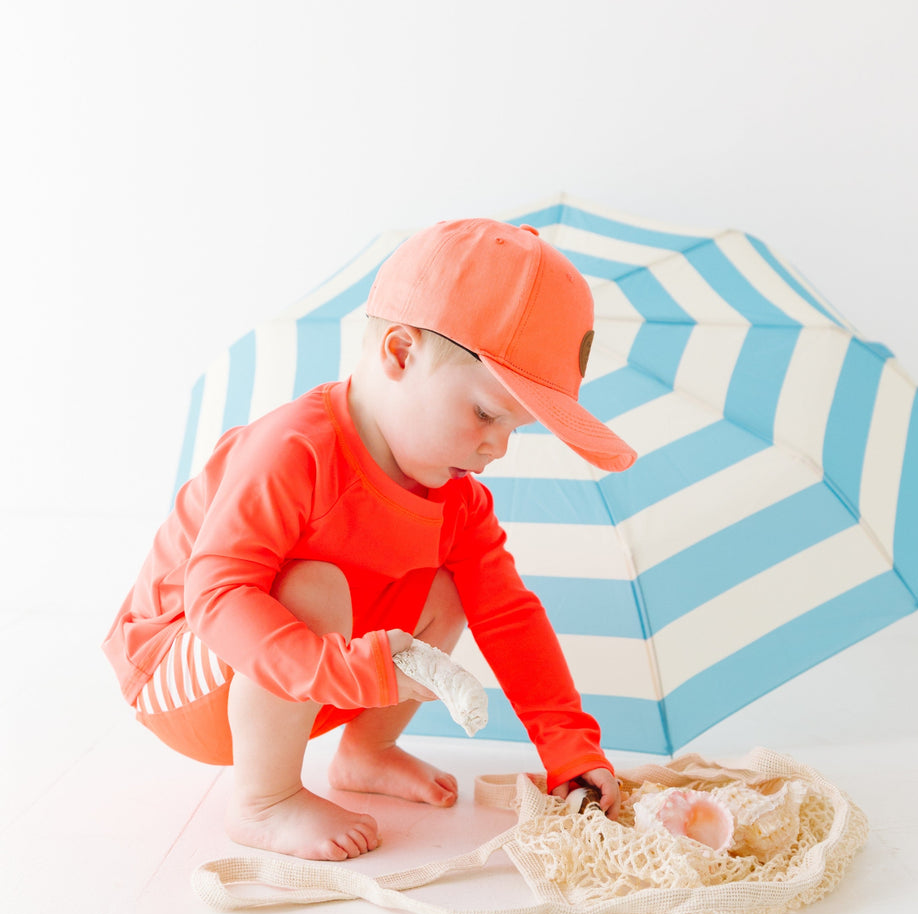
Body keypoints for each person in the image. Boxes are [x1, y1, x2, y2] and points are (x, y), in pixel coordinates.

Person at [102, 218, 638, 861]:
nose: (497, 447)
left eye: (513, 429)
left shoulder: (457, 499)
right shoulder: (291, 450)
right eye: (485, 414)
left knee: (454, 586)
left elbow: (508, 613)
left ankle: (366, 752)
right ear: (401, 353)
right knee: (314, 585)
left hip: (312, 678)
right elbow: (217, 596)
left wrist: (568, 745)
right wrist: (345, 672)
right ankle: (264, 800)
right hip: (182, 668)